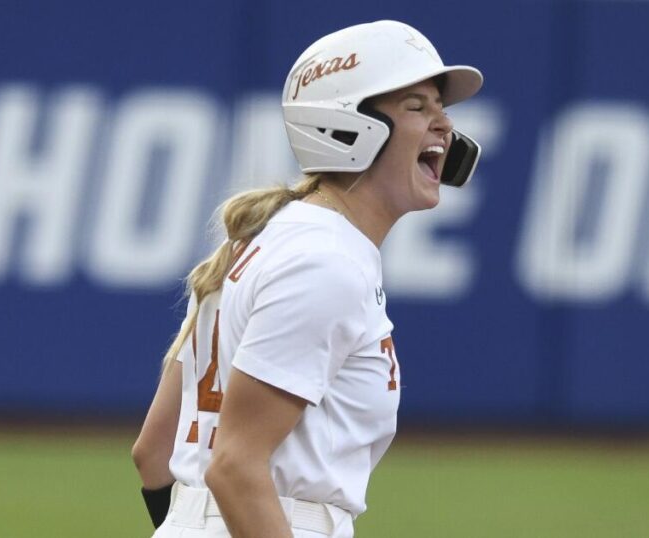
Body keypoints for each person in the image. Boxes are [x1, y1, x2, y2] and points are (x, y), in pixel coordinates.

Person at [131, 19, 483, 538]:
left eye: (441, 108)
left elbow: (153, 454)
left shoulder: (266, 240)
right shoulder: (324, 261)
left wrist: (190, 524)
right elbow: (234, 465)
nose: (444, 126)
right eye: (417, 107)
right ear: (347, 127)